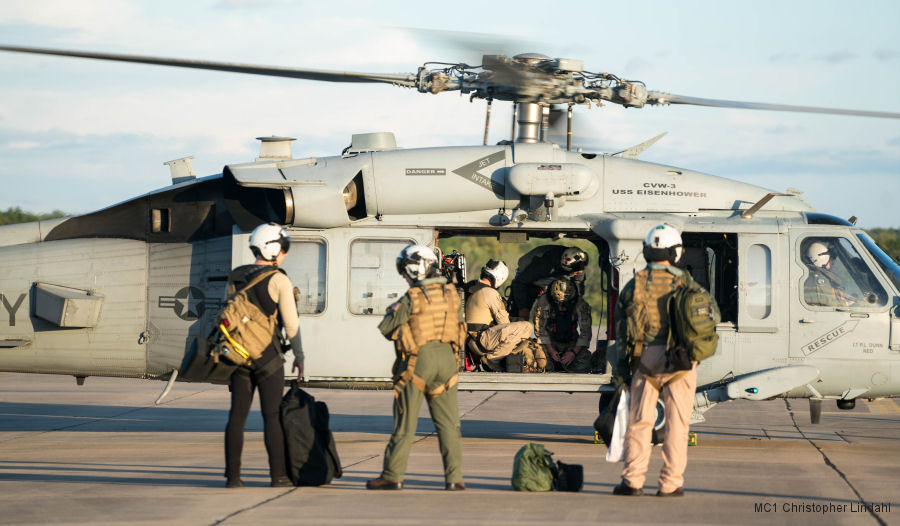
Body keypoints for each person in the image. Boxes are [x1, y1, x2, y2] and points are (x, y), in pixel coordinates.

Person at [612, 224, 703, 497]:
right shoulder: (687, 282)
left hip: (645, 358)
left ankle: (633, 481)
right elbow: (708, 318)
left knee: (640, 421)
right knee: (678, 424)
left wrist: (621, 374)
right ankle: (671, 484)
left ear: (647, 250)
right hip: (681, 360)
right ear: (675, 252)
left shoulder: (635, 283)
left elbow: (621, 330)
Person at [367, 244, 467, 491]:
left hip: (418, 362)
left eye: (404, 271)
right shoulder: (451, 293)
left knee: (405, 422)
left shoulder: (411, 297)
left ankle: (392, 475)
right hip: (448, 361)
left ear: (414, 269)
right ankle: (454, 479)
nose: (403, 276)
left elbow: (387, 327)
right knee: (449, 424)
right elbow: (461, 327)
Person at [224, 222, 303, 489]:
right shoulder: (279, 279)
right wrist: (299, 356)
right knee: (271, 416)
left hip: (238, 355)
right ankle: (277, 476)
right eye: (285, 249)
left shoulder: (236, 275)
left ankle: (233, 478)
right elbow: (291, 324)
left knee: (237, 417)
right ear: (275, 249)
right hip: (268, 358)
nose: (286, 254)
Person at [465, 259, 534, 370]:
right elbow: (504, 322)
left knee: (517, 325)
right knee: (527, 326)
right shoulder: (490, 293)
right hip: (482, 341)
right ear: (500, 278)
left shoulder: (470, 288)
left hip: (470, 340)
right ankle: (492, 359)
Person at [510, 245, 588, 319]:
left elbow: (578, 288)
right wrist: (522, 308)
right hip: (528, 276)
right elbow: (519, 282)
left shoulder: (579, 263)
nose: (578, 273)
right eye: (575, 272)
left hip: (551, 276)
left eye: (579, 271)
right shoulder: (544, 264)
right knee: (521, 314)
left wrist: (576, 304)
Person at [532, 278, 592, 373]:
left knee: (585, 361)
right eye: (558, 302)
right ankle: (552, 367)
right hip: (550, 341)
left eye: (564, 302)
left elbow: (586, 331)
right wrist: (551, 350)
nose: (561, 305)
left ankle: (565, 367)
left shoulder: (580, 303)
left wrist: (573, 353)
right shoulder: (544, 301)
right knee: (540, 360)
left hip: (571, 342)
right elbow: (540, 329)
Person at [803, 241, 853, 307]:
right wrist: (845, 304)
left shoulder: (815, 275)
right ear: (820, 257)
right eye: (831, 257)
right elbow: (827, 302)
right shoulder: (818, 279)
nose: (833, 260)